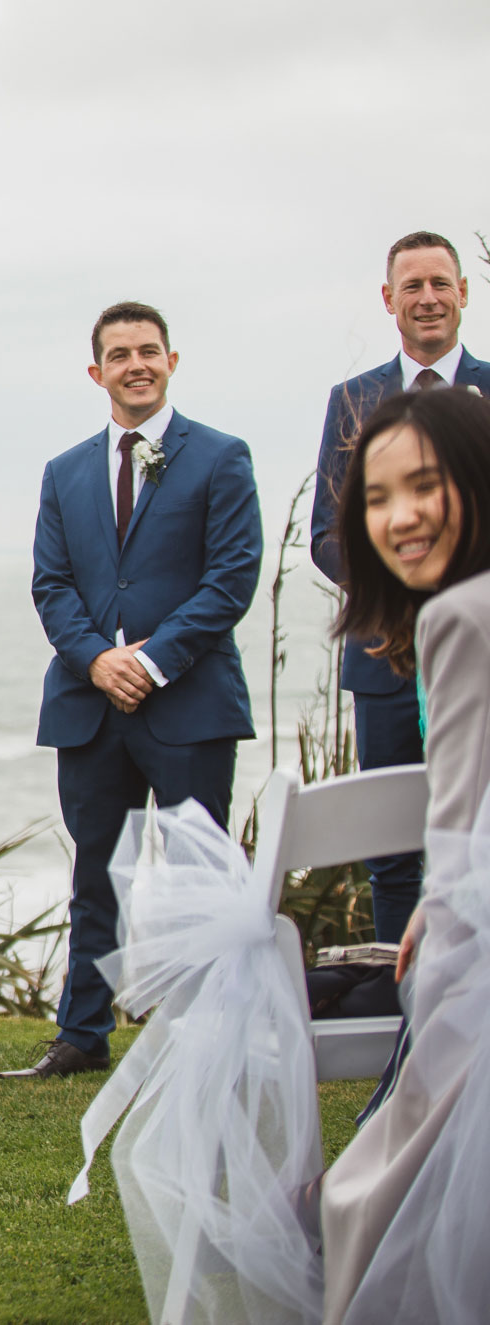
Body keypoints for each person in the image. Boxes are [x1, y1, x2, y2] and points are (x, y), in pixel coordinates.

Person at [4, 302, 263, 1081]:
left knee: (197, 873)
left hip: (189, 703)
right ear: (97, 372)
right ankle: (82, 1034)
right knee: (96, 872)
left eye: (149, 351)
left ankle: (205, 1033)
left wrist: (150, 662)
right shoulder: (65, 470)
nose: (136, 364)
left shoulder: (221, 456)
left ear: (172, 361)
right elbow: (51, 586)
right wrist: (97, 661)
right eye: (119, 355)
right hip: (90, 706)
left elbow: (231, 579)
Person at [318, 387, 490, 1323]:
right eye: (378, 498)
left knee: (379, 1199)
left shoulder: (460, 617)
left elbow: (462, 835)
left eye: (425, 485)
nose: (401, 516)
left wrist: (439, 934)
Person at [310, 231, 488, 942]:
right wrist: (399, 596)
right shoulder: (352, 399)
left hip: (481, 650)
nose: (427, 298)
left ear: (463, 293)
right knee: (393, 852)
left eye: (440, 283)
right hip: (385, 655)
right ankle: (402, 1021)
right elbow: (330, 528)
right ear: (389, 300)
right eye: (411, 286)